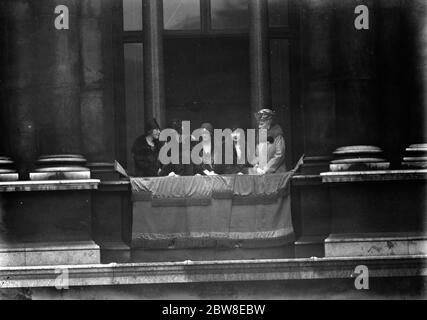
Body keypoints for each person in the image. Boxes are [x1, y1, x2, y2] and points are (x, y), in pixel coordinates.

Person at [252, 108, 287, 174]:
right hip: (261, 175)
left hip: (276, 174)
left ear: (269, 122)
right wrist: (256, 167)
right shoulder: (260, 136)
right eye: (259, 124)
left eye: (262, 124)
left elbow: (279, 155)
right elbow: (257, 155)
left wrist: (266, 169)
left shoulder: (277, 136)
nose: (259, 126)